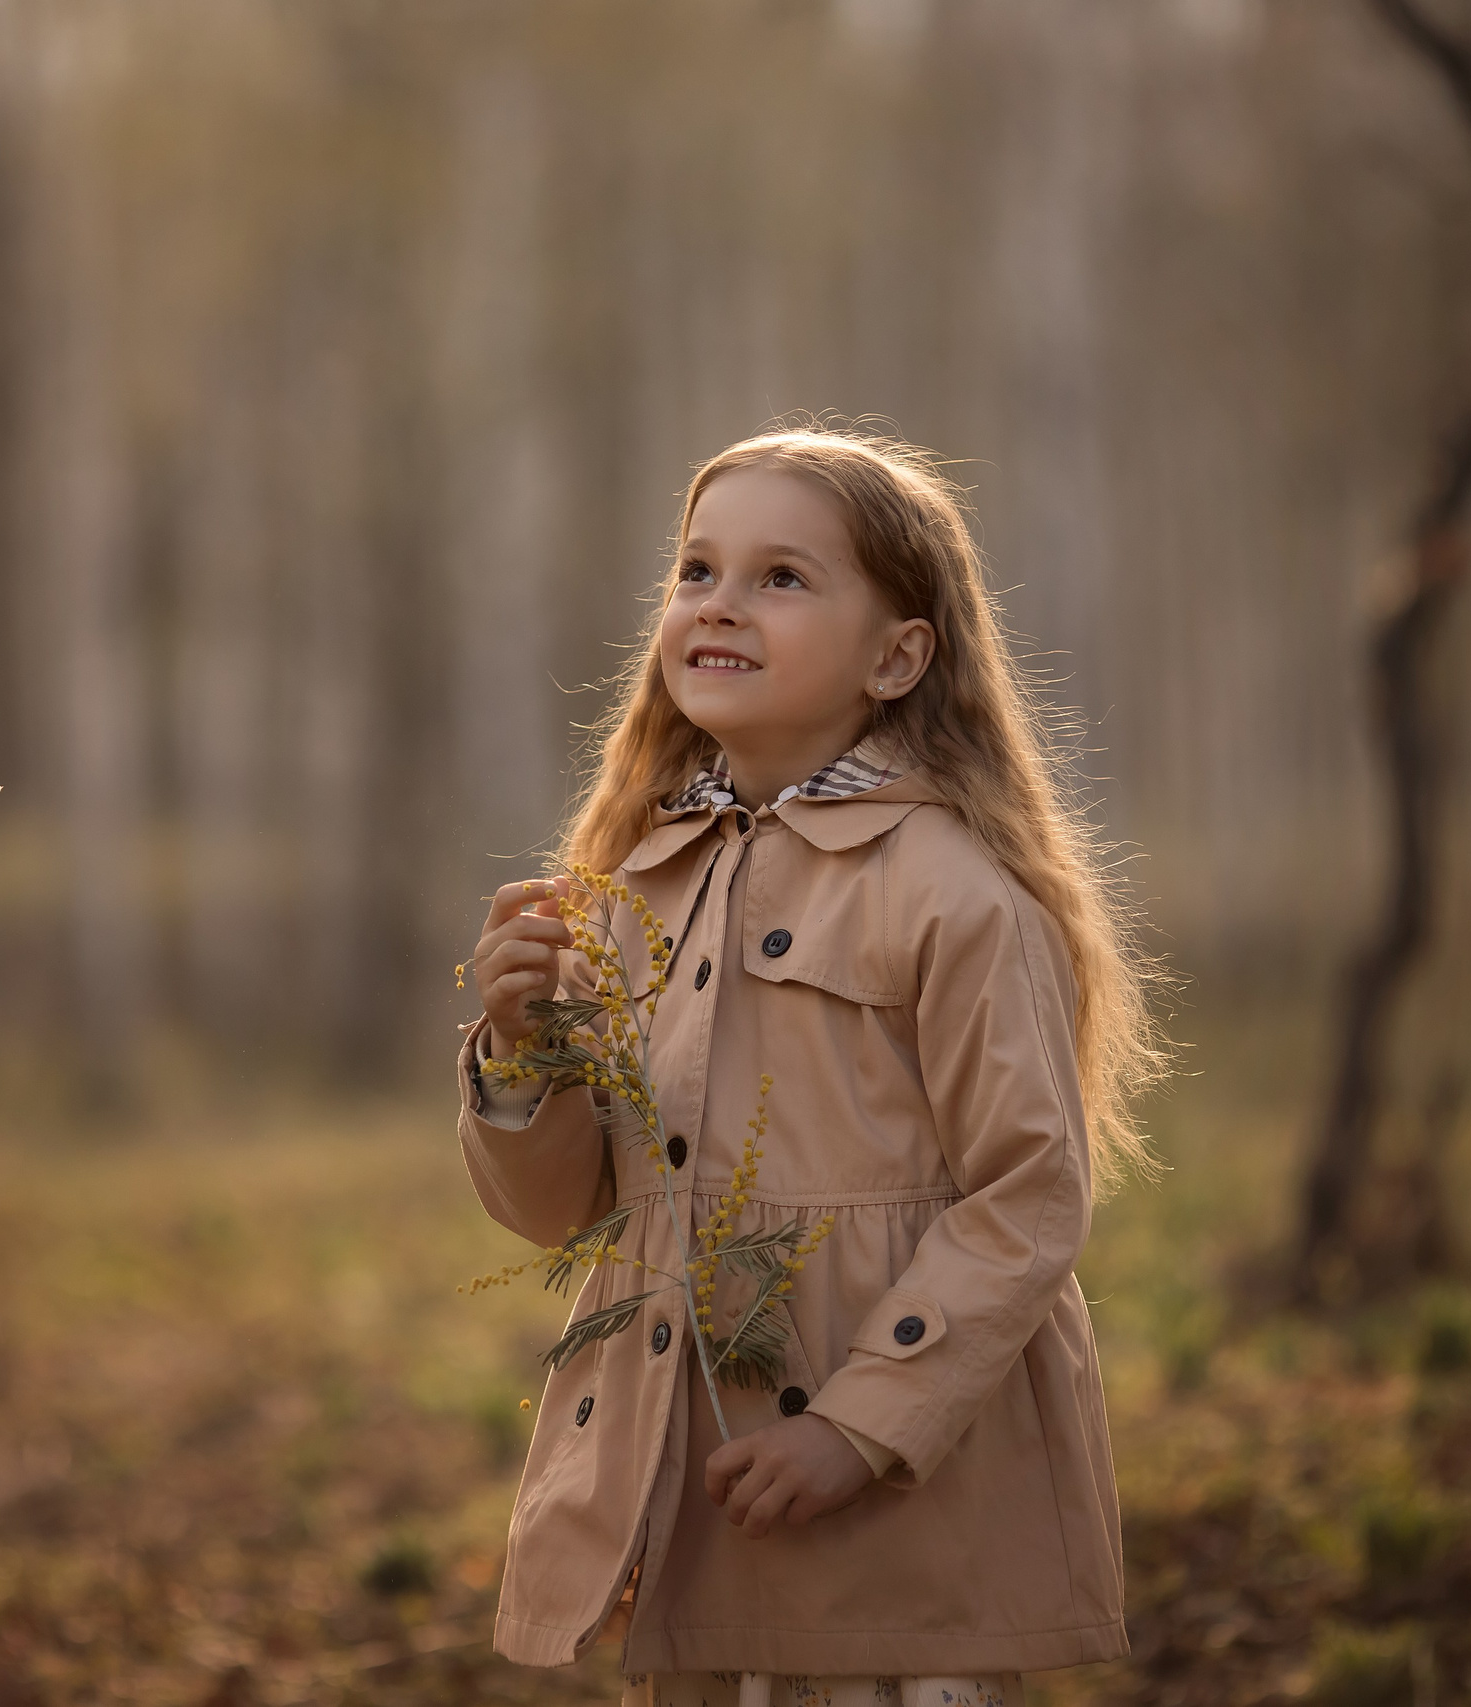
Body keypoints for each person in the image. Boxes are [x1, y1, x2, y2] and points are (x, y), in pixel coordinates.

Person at [456, 426, 1169, 1707]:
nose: (720, 603)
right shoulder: (632, 886)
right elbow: (571, 1212)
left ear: (897, 657)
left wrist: (858, 1425)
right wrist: (520, 1053)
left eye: (781, 577)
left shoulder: (953, 892)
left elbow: (1026, 1198)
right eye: (696, 571)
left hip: (898, 1508)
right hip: (695, 1493)